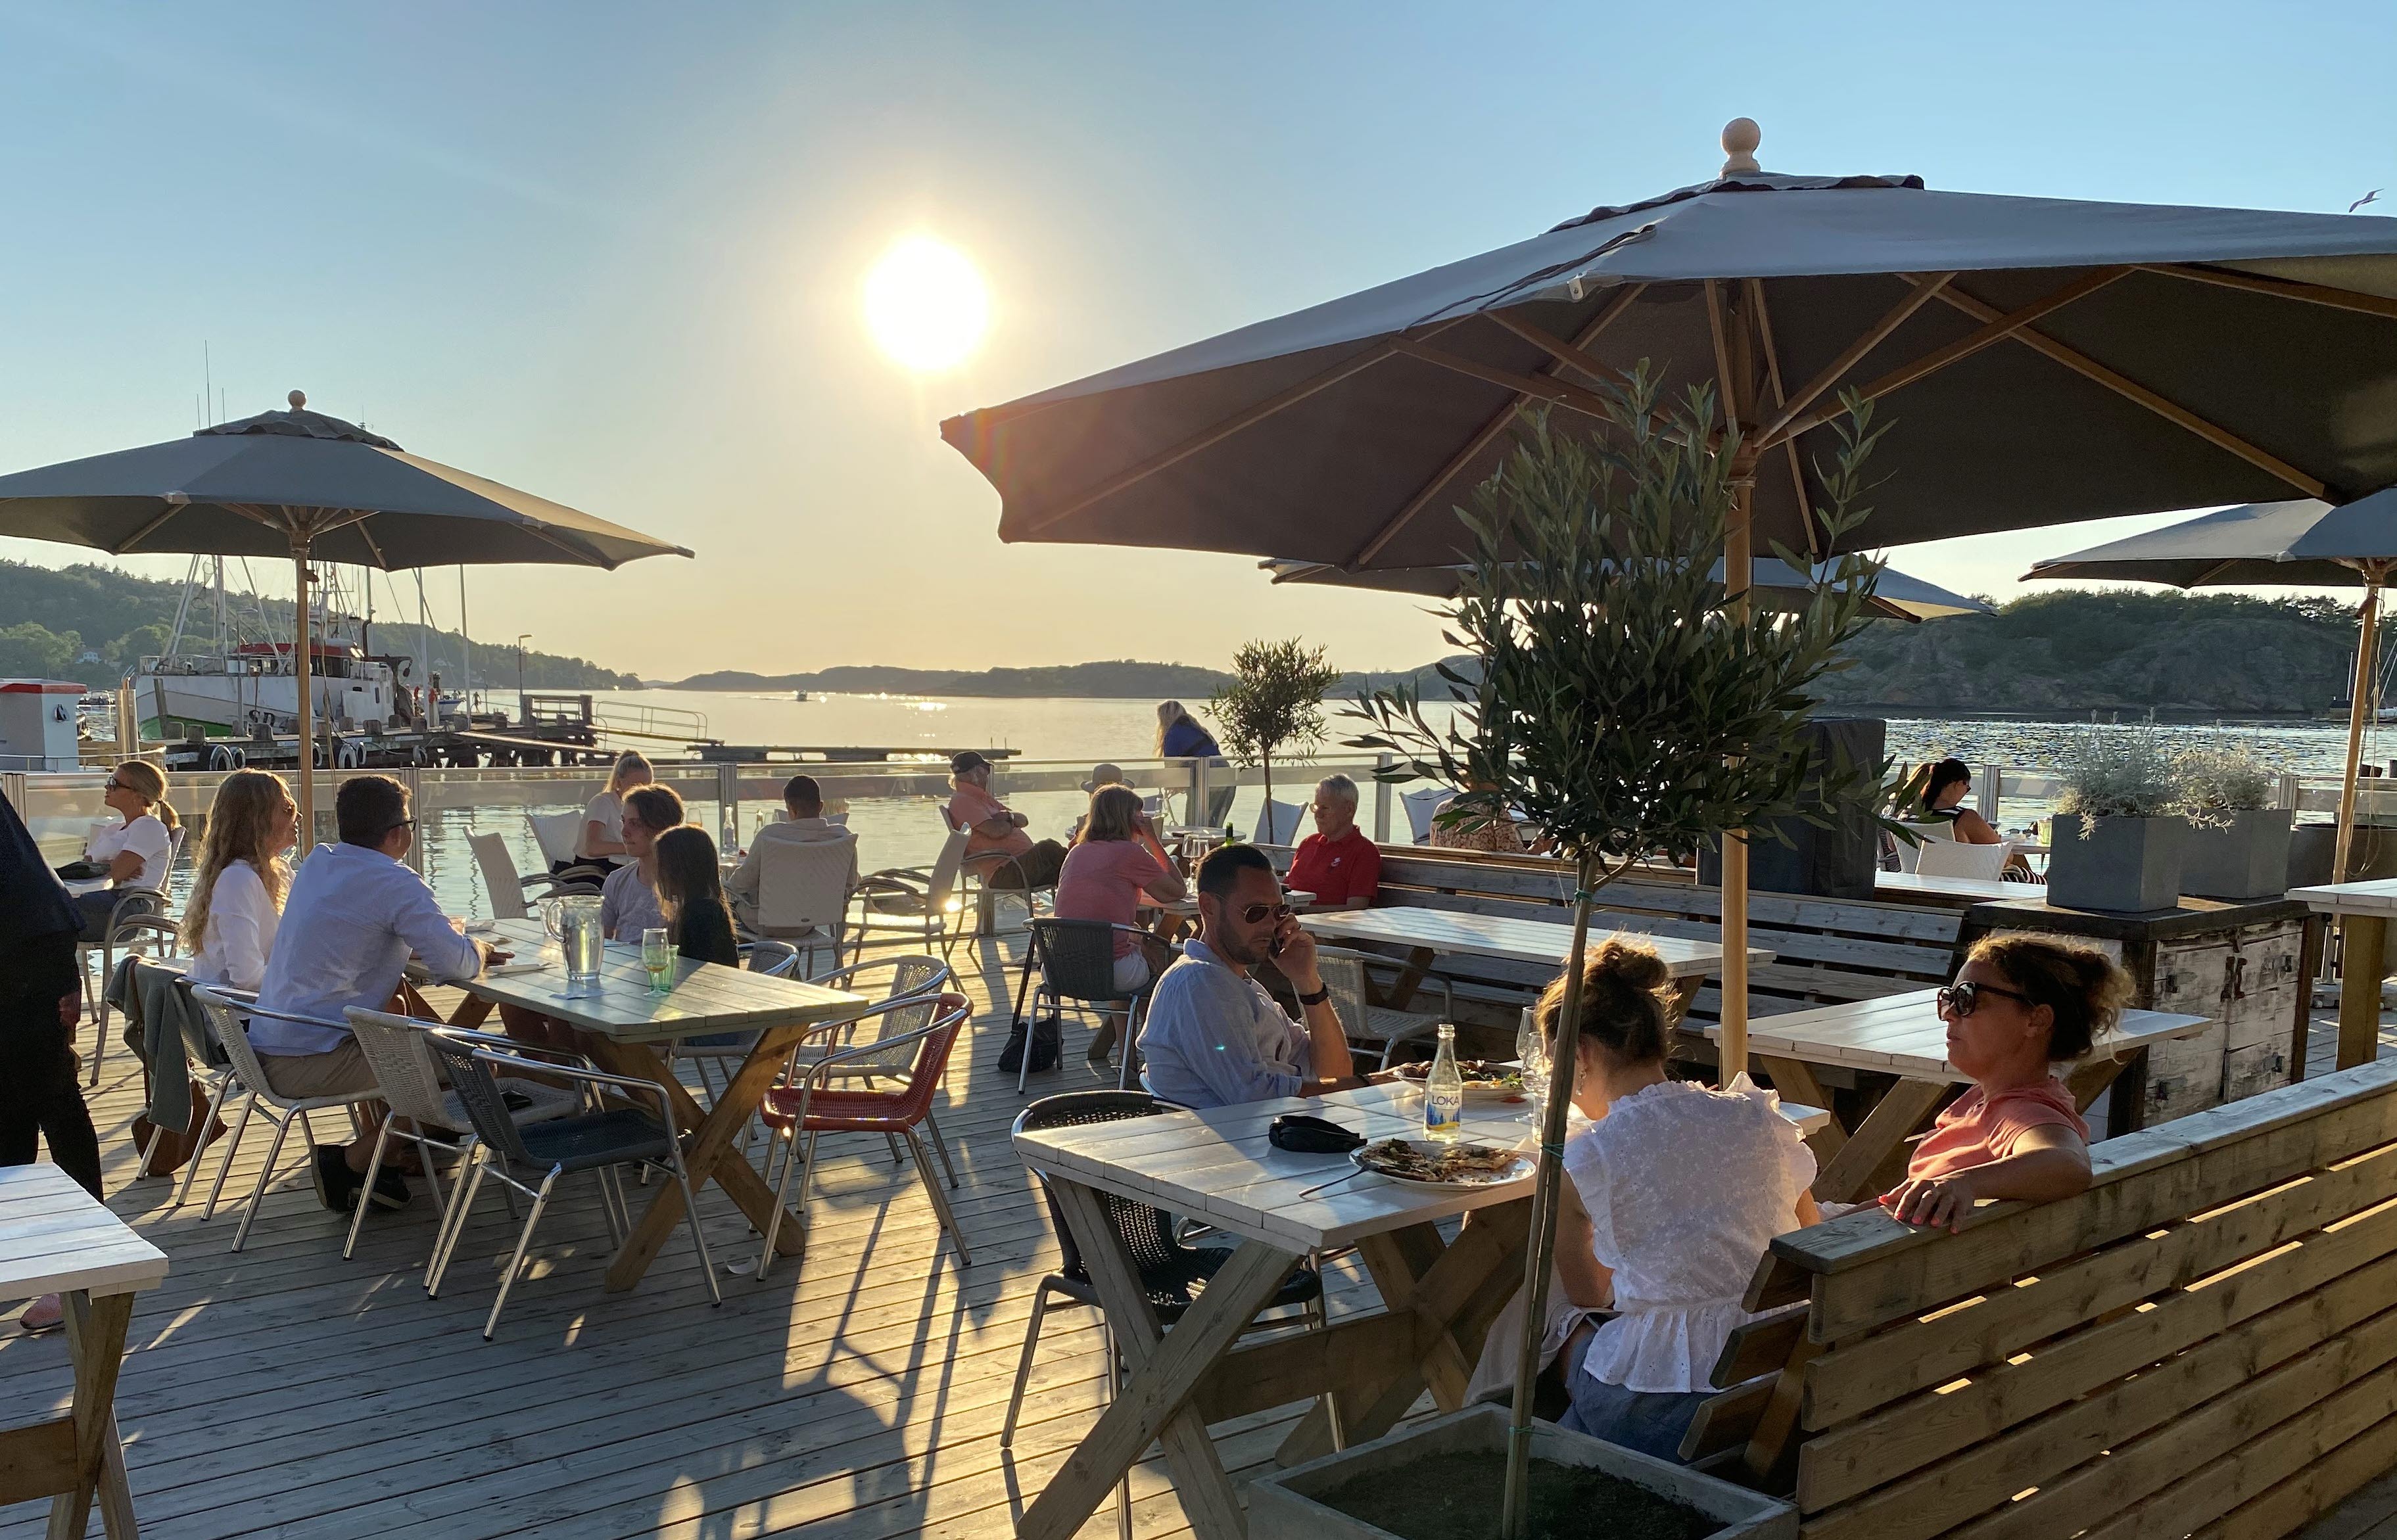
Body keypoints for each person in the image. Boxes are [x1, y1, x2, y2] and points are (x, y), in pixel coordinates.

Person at [1536, 939, 1821, 1462]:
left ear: (1580, 1054)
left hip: (1665, 1404)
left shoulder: (1587, 1158)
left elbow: (1592, 1295)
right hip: (1780, 1375)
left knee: (1554, 1317)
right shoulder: (1756, 1115)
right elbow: (1809, 1232)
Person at [250, 775, 491, 1215]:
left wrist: (430, 936)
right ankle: (351, 1161)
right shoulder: (395, 882)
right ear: (399, 832)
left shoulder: (319, 863)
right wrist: (480, 947)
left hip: (269, 1045)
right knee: (471, 1062)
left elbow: (358, 927)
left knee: (397, 1015)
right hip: (309, 1059)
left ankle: (390, 1159)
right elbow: (454, 964)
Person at [1880, 934, 2131, 1232]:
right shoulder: (1987, 1099)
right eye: (1950, 998)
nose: (1948, 1013)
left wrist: (1964, 1182)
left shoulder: (2020, 1112)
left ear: (2036, 1020)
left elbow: (2069, 1163)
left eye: (1967, 998)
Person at [1139, 843, 1369, 1108]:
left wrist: (1308, 983)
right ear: (1209, 907)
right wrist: (1373, 1084)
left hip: (1266, 1137)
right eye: (1256, 912)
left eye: (1279, 911)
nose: (1271, 924)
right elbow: (1254, 1097)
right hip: (1226, 1143)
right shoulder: (1199, 983)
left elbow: (1335, 1072)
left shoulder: (1242, 985)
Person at [1, 789, 102, 1334]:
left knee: (49, 1100)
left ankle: (78, 1271)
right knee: (16, 1108)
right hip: (35, 930)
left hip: (24, 943)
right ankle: (24, 1254)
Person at [1056, 786, 1186, 1065]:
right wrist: (1152, 838)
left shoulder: (1077, 851)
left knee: (1134, 946)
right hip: (1109, 972)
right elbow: (1176, 891)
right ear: (1127, 817)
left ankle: (1128, 1055)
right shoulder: (1128, 853)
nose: (1142, 818)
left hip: (1061, 969)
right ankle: (1160, 1053)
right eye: (1138, 814)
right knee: (1163, 960)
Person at [181, 770, 296, 993]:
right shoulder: (238, 880)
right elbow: (247, 979)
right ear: (256, 819)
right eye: (287, 810)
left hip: (269, 1006)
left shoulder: (281, 872)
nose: (297, 817)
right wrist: (305, 981)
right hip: (239, 1017)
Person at [725, 774, 858, 929]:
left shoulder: (770, 836)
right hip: (812, 924)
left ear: (791, 809)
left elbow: (741, 884)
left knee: (728, 910)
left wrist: (725, 884)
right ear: (820, 807)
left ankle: (763, 953)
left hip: (765, 924)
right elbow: (850, 883)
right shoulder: (842, 837)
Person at [70, 759, 178, 941]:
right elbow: (85, 869)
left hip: (126, 908)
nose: (107, 786)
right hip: (103, 900)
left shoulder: (149, 827)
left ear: (137, 795)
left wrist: (108, 869)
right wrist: (107, 867)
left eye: (114, 783)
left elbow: (114, 874)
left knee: (48, 914)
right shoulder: (111, 829)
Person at [947, 751, 1066, 891]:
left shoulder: (983, 799)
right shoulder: (963, 801)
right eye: (986, 771)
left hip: (1018, 867)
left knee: (1066, 870)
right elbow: (996, 831)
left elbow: (1023, 820)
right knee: (1049, 849)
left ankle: (1083, 901)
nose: (987, 775)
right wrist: (1009, 820)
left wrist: (1008, 818)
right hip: (1003, 873)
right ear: (976, 773)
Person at [600, 785, 687, 943]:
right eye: (624, 821)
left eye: (636, 824)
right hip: (623, 965)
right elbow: (600, 942)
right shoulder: (616, 881)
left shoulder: (687, 884)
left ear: (662, 828)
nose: (624, 832)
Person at [1283, 774, 1381, 909]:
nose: (1318, 814)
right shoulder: (1308, 843)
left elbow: (1356, 908)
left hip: (1326, 927)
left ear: (1349, 809)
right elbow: (1288, 888)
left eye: (1325, 808)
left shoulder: (1363, 852)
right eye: (1316, 807)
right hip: (1288, 922)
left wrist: (1302, 913)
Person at [655, 826, 741, 968]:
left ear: (679, 870)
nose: (658, 873)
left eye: (661, 865)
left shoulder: (699, 914)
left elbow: (694, 971)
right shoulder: (709, 907)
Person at [575, 751, 653, 870]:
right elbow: (593, 847)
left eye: (648, 787)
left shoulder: (641, 807)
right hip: (594, 870)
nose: (641, 792)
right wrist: (636, 848)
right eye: (635, 786)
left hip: (622, 866)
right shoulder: (602, 802)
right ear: (618, 782)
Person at [1916, 758, 2004, 845]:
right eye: (1967, 788)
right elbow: (2002, 853)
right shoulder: (1964, 817)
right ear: (1959, 784)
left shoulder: (1907, 815)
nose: (1966, 793)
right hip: (1951, 859)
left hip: (1914, 859)